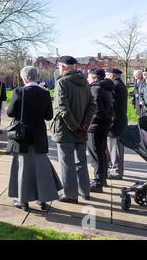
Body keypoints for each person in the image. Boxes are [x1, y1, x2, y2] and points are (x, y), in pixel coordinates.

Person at [7, 66, 62, 212]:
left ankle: (23, 201)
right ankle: (42, 199)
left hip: (22, 136)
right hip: (38, 134)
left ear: (24, 78)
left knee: (24, 168)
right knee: (41, 167)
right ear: (37, 77)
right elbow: (49, 116)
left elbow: (10, 112)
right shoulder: (44, 93)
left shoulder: (19, 91)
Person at [51, 56, 95, 204]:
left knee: (67, 163)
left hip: (66, 129)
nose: (58, 69)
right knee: (81, 161)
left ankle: (70, 195)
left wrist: (76, 127)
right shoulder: (84, 81)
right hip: (80, 129)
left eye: (59, 67)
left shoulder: (62, 82)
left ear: (63, 67)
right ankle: (85, 191)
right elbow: (92, 106)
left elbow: (62, 108)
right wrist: (84, 125)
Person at [86, 69, 115, 192]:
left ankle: (98, 182)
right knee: (101, 153)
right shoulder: (106, 88)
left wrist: (107, 119)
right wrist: (110, 119)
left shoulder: (95, 88)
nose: (87, 78)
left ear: (94, 77)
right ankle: (102, 179)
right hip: (102, 125)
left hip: (96, 126)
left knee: (96, 155)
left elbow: (97, 110)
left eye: (89, 76)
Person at [105, 68, 128, 180]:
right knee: (113, 146)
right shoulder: (119, 84)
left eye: (106, 75)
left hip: (116, 122)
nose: (105, 76)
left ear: (112, 75)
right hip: (119, 120)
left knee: (115, 148)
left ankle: (116, 171)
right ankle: (114, 169)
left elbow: (112, 104)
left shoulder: (115, 85)